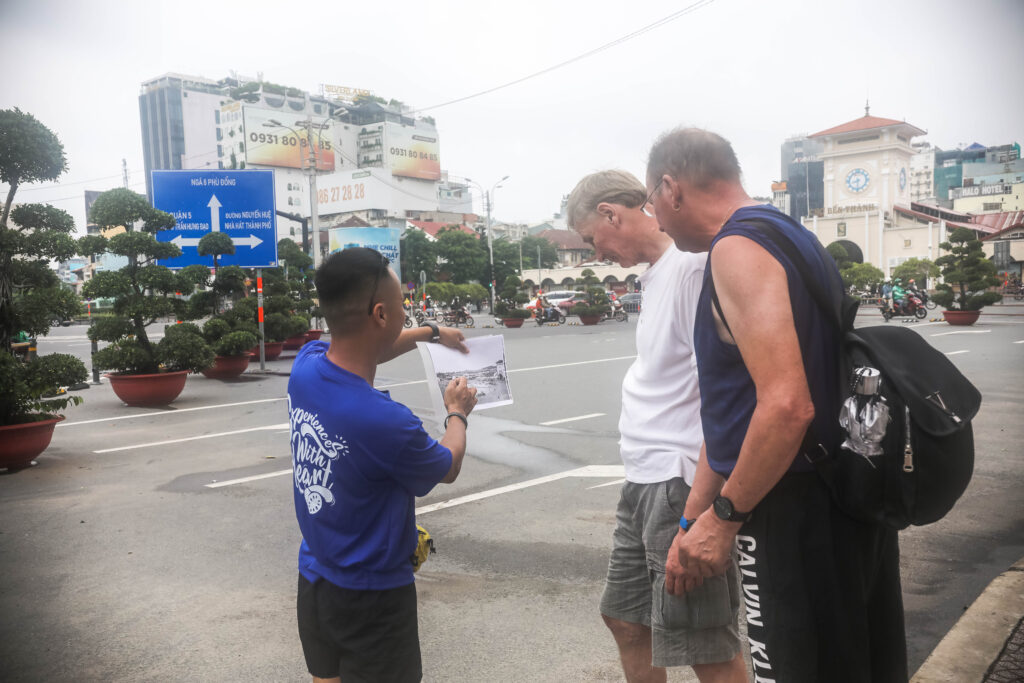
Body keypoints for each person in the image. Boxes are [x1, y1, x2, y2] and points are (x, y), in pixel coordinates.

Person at [647, 128, 907, 682]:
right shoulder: (790, 234)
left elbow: (787, 405)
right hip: (842, 488)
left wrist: (723, 521)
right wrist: (692, 518)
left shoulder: (736, 249)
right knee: (854, 662)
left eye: (653, 204)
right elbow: (731, 415)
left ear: (672, 187)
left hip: (790, 505)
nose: (659, 223)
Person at [567, 169, 746, 683]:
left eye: (590, 240)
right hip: (643, 478)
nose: (595, 253)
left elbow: (726, 392)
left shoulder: (691, 268)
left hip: (677, 478)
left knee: (703, 641)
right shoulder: (658, 272)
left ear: (610, 213)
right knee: (625, 618)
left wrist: (700, 510)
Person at [288, 247, 478, 683]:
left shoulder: (307, 366)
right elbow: (446, 465)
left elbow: (368, 351)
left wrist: (430, 333)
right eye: (401, 307)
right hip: (372, 597)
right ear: (379, 313)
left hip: (315, 576)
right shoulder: (382, 420)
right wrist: (457, 413)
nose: (404, 314)